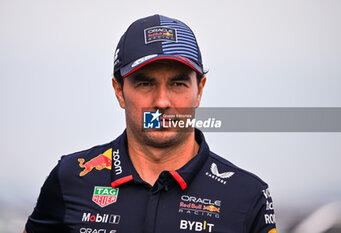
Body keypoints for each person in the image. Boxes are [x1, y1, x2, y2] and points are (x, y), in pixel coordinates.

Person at [24, 14, 277, 233]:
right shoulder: (71, 176)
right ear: (119, 91)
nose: (162, 101)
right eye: (145, 83)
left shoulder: (247, 195)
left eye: (178, 84)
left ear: (199, 90)